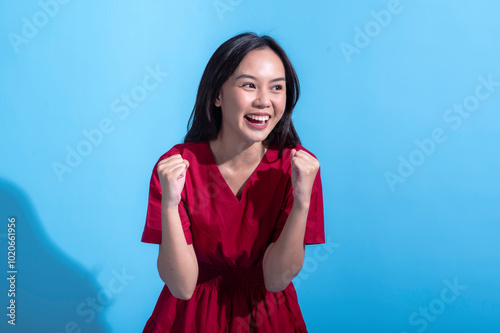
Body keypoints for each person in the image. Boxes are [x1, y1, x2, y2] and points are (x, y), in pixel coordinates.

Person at [141, 32, 325, 332]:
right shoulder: (177, 168)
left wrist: (302, 202)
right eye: (249, 85)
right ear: (217, 95)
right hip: (189, 319)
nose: (264, 101)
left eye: (276, 88)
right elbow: (182, 286)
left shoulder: (299, 169)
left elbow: (277, 278)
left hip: (267, 318)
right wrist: (170, 205)